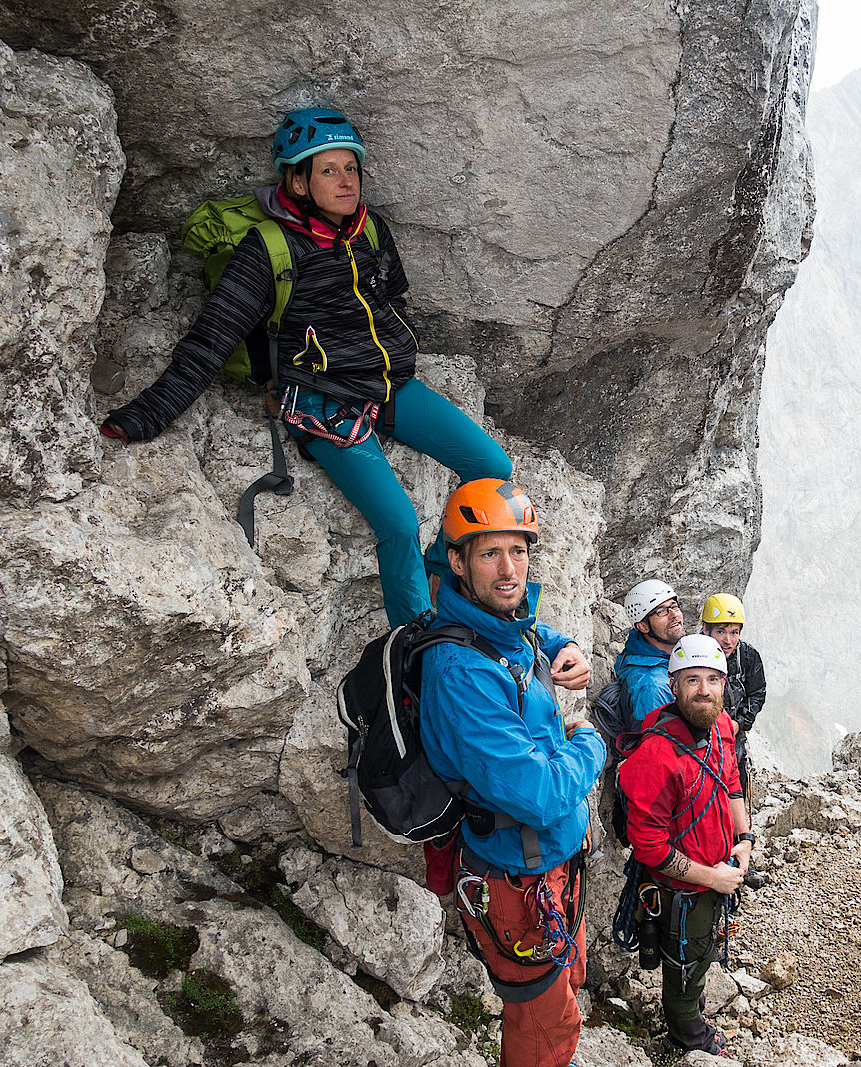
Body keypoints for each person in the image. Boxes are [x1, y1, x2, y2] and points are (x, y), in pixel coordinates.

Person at [100, 107, 510, 627]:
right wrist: (145, 415)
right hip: (323, 403)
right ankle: (417, 640)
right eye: (329, 170)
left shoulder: (371, 231)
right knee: (399, 523)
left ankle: (439, 571)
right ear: (297, 180)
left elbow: (392, 297)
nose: (347, 181)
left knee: (491, 467)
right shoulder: (268, 249)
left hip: (387, 386)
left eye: (352, 168)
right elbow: (210, 340)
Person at [419, 478, 603, 1067]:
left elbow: (521, 633)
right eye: (489, 552)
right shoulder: (460, 676)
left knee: (563, 990)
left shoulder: (502, 626)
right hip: (516, 879)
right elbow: (540, 793)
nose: (508, 570)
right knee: (545, 1024)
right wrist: (592, 744)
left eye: (518, 551)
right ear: (457, 560)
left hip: (551, 863)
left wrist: (562, 643)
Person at [617, 634, 752, 1056]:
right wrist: (712, 877)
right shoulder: (656, 755)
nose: (704, 690)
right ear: (673, 685)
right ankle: (687, 1033)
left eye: (713, 679)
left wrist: (744, 837)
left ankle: (691, 1003)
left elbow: (731, 782)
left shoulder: (722, 726)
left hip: (714, 874)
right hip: (683, 889)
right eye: (691, 680)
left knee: (699, 950)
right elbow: (650, 848)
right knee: (686, 960)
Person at [700, 593, 766, 798]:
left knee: (735, 784)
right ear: (705, 629)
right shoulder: (692, 655)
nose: (728, 640)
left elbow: (757, 693)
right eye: (721, 631)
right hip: (699, 736)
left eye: (734, 632)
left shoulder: (747, 656)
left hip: (733, 734)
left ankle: (737, 828)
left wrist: (739, 723)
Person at [615, 578, 685, 728]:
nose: (674, 615)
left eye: (674, 606)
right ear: (643, 626)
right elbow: (660, 745)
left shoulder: (673, 657)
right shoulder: (652, 687)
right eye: (661, 612)